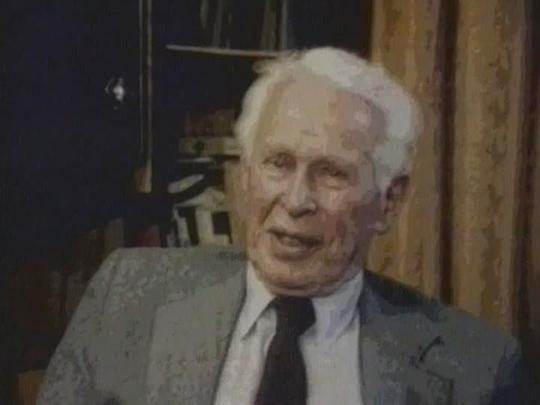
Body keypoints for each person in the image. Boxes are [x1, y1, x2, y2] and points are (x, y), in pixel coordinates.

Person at [37, 48, 524, 405]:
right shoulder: (128, 297)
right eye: (278, 163)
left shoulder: (477, 370)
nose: (295, 200)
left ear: (389, 202)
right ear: (243, 177)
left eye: (332, 173)